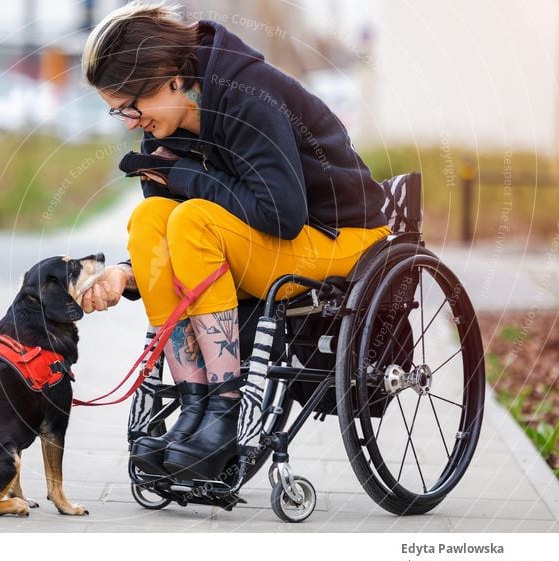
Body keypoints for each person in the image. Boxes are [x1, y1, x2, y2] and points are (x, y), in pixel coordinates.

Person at [79, 1, 391, 482]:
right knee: (150, 217)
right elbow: (167, 240)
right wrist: (124, 272)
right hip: (265, 240)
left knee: (193, 219)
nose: (127, 121)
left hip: (338, 235)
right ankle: (194, 404)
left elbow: (282, 215)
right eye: (117, 109)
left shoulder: (247, 95)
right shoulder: (164, 125)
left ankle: (225, 409)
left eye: (131, 104)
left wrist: (182, 173)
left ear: (172, 76)